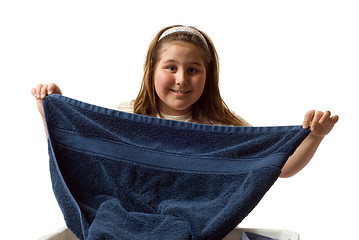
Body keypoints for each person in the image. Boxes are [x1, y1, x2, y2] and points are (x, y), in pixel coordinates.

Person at [31, 25, 338, 178]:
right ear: (152, 71)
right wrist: (50, 109)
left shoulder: (223, 129)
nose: (181, 79)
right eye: (171, 68)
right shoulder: (126, 117)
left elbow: (279, 168)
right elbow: (74, 152)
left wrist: (315, 136)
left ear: (208, 76)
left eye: (193, 70)